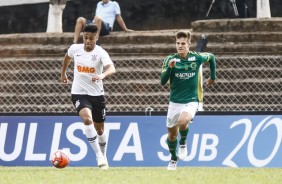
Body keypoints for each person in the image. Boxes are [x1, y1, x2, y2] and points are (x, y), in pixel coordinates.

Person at [61, 23, 116, 170]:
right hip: (79, 93)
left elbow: (112, 68)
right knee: (87, 119)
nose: (88, 41)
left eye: (91, 38)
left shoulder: (100, 52)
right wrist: (63, 73)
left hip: (97, 95)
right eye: (85, 37)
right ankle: (98, 155)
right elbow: (67, 57)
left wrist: (102, 75)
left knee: (100, 130)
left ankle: (104, 156)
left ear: (96, 38)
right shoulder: (75, 49)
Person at [160, 30, 216, 170]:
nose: (180, 46)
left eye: (183, 43)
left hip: (191, 100)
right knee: (172, 135)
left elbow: (212, 57)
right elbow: (162, 82)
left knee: (183, 121)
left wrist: (213, 77)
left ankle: (183, 142)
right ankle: (173, 159)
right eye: (178, 43)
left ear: (189, 44)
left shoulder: (196, 57)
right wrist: (169, 69)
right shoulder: (170, 59)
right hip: (174, 102)